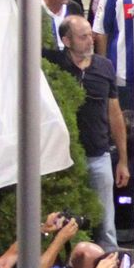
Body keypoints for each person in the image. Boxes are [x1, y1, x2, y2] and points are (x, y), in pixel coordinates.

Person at [48, 19, 128, 249]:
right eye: (82, 36)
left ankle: (109, 267)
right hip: (65, 158)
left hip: (99, 154)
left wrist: (122, 159)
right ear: (66, 40)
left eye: (90, 35)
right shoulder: (54, 64)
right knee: (68, 217)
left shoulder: (104, 66)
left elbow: (115, 113)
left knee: (106, 223)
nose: (90, 40)